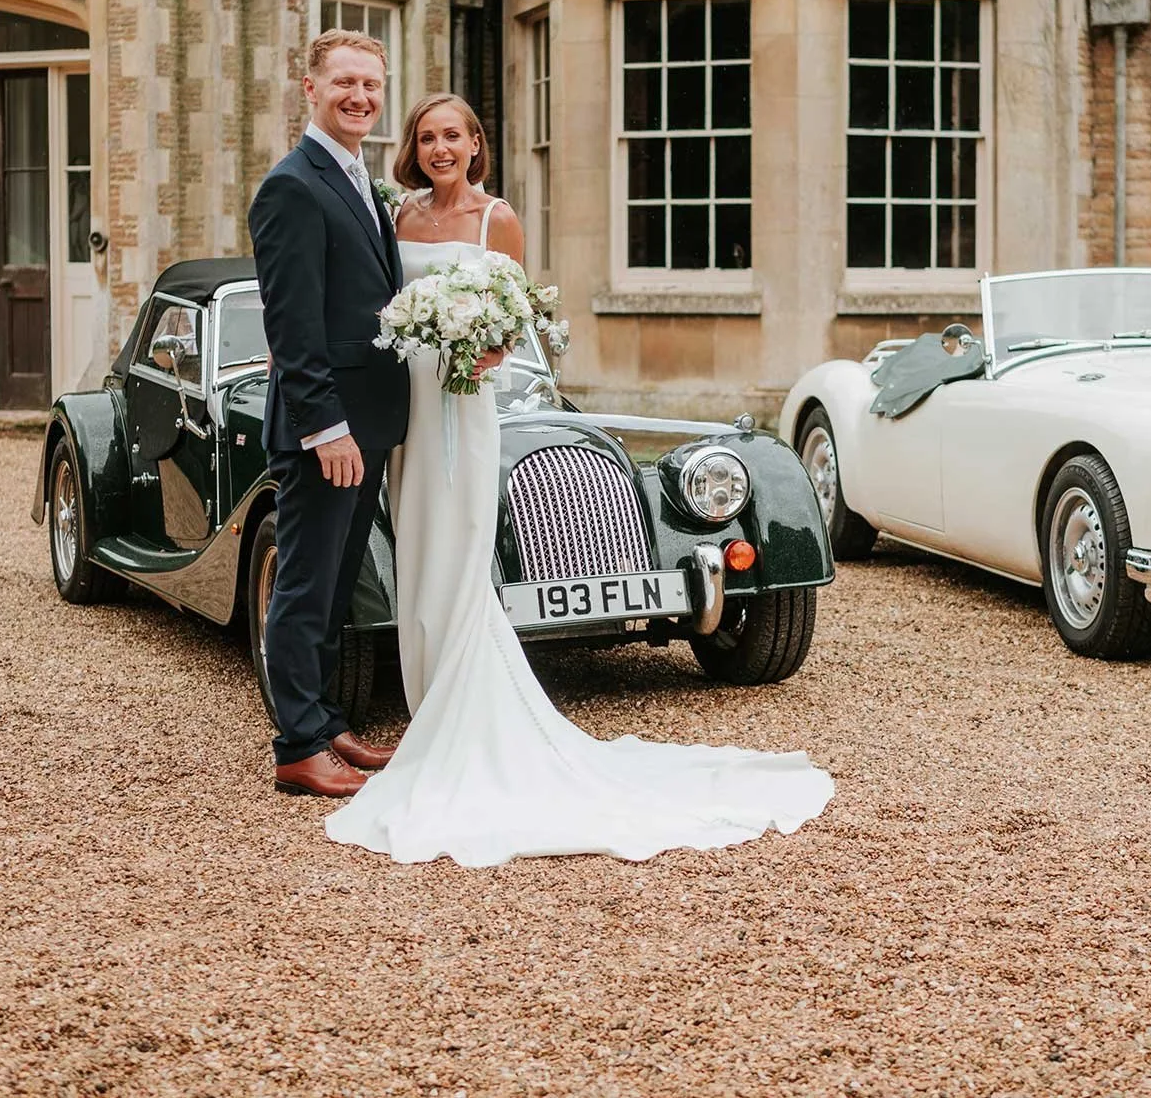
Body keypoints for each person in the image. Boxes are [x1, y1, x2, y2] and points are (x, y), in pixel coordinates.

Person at [323, 93, 833, 866]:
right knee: (418, 549)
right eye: (427, 136)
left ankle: (461, 716)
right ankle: (429, 704)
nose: (439, 147)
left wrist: (487, 349)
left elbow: (510, 312)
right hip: (409, 408)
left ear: (475, 143)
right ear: (413, 148)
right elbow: (382, 304)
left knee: (459, 552)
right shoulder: (399, 218)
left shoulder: (499, 219)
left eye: (452, 135)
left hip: (465, 401)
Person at [247, 29, 410, 799]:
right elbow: (294, 324)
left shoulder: (358, 180)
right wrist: (326, 426)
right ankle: (299, 746)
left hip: (369, 423)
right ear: (309, 87)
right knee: (305, 586)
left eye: (372, 85)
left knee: (339, 583)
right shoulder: (293, 184)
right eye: (345, 81)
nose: (360, 97)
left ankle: (329, 718)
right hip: (329, 429)